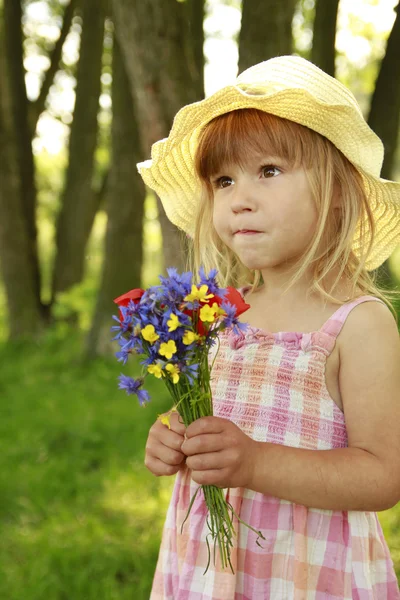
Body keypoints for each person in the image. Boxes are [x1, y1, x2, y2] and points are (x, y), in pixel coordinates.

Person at [138, 55, 400, 599]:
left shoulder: (357, 323)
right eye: (224, 180)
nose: (240, 198)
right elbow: (214, 409)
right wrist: (175, 438)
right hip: (207, 566)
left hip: (303, 573)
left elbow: (382, 476)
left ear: (334, 189)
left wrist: (255, 462)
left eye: (270, 171)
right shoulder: (217, 314)